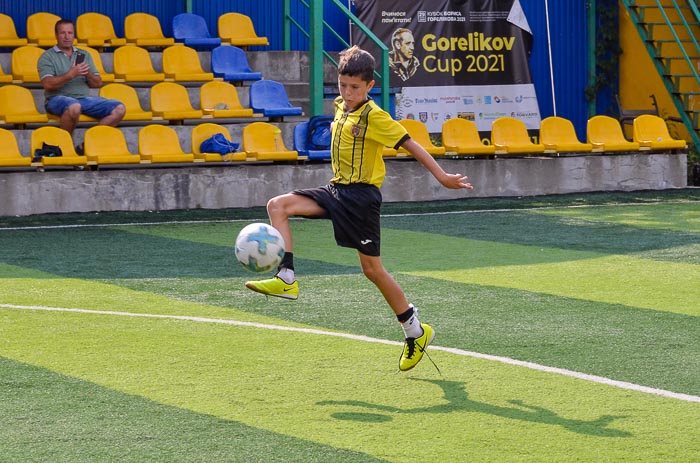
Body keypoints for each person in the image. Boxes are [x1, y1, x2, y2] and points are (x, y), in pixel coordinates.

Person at [245, 45, 474, 372]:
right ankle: (287, 277)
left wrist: (442, 176)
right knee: (277, 205)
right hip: (336, 189)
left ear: (369, 86)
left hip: (362, 200)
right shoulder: (340, 106)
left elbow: (411, 144)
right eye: (342, 85)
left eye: (355, 87)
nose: (347, 93)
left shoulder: (375, 116)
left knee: (372, 271)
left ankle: (415, 332)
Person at [38, 18, 125, 152]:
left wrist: (87, 73)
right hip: (56, 98)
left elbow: (97, 83)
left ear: (74, 35)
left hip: (83, 99)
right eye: (63, 33)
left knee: (119, 108)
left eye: (70, 33)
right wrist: (71, 74)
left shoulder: (83, 54)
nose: (67, 37)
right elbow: (48, 84)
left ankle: (84, 146)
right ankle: (65, 147)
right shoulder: (47, 56)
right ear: (56, 35)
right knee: (74, 106)